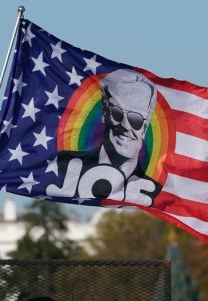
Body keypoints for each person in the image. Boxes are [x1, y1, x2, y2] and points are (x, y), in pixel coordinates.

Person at [46, 68, 161, 206]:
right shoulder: (62, 164)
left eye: (135, 119)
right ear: (105, 113)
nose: (125, 125)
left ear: (145, 127)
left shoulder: (154, 193)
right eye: (117, 113)